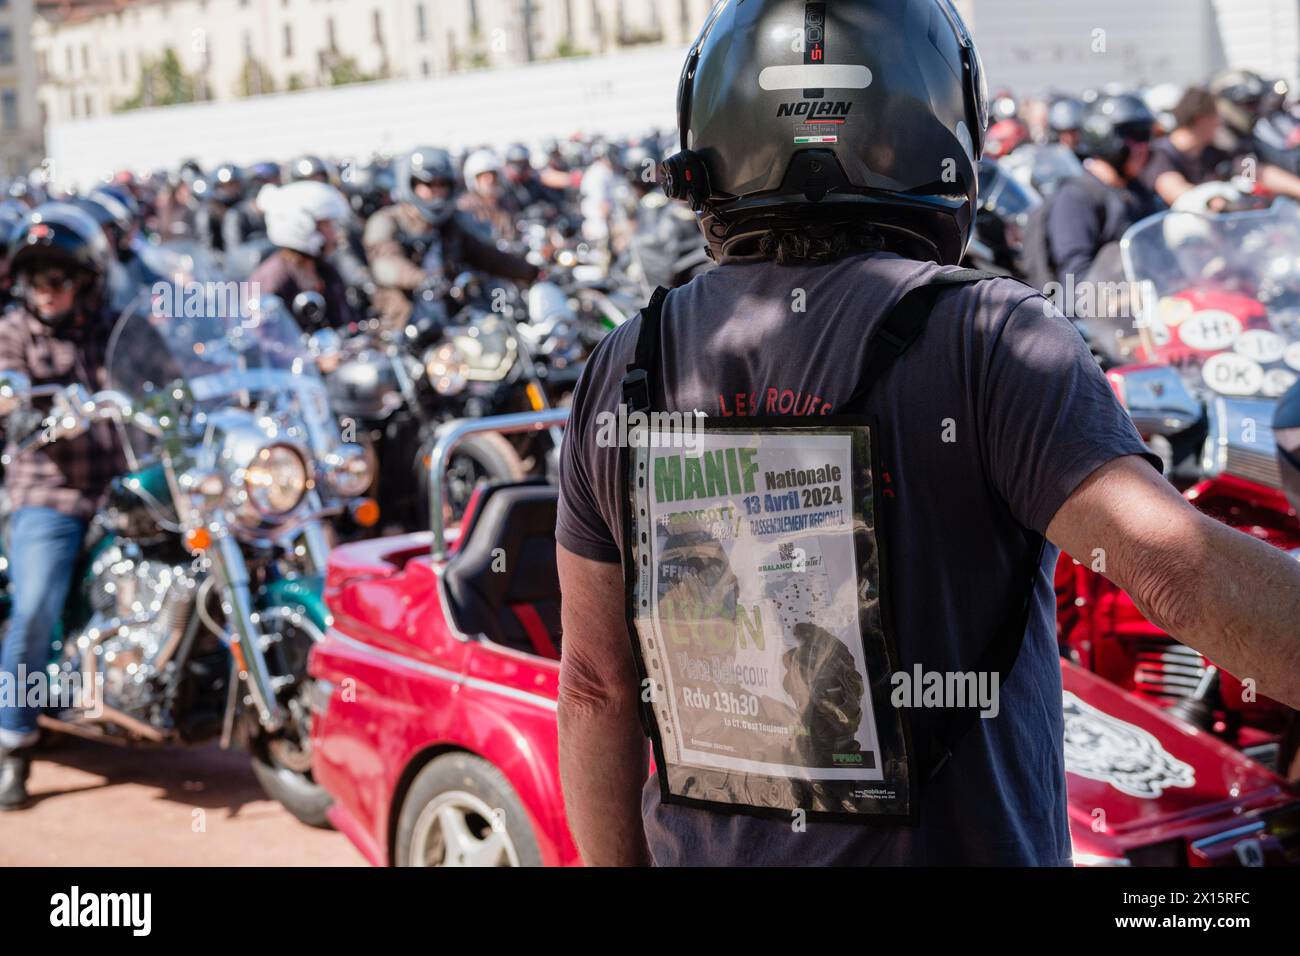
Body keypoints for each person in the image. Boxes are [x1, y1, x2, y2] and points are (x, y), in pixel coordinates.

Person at [554, 0, 1300, 867]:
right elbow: (1175, 573)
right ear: (941, 126)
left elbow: (595, 686)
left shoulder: (625, 362)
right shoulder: (990, 338)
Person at [0, 203, 125, 809]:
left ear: (87, 280)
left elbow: (166, 372)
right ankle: (14, 742)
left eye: (56, 277)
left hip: (127, 485)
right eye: (33, 279)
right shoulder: (12, 332)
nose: (43, 292)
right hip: (51, 493)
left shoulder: (116, 328)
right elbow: (9, 392)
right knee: (35, 606)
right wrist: (27, 410)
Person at [363, 145, 538, 329]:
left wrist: (531, 272)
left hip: (450, 323)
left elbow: (487, 257)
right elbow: (385, 264)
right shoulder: (386, 221)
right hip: (402, 328)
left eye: (442, 184)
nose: (436, 191)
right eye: (428, 184)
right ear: (411, 184)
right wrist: (422, 280)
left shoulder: (448, 224)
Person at [1044, 93, 1163, 286]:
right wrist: (1126, 297)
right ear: (1103, 136)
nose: (1144, 146)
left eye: (1146, 135)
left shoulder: (1138, 190)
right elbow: (1075, 276)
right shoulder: (1077, 196)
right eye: (1135, 136)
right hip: (1099, 313)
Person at [249, 180, 358, 331]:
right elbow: (265, 337)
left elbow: (343, 322)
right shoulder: (273, 277)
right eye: (327, 225)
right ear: (302, 225)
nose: (335, 233)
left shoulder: (325, 270)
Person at [1140, 87, 1232, 207]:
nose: (1219, 122)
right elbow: (1174, 191)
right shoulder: (1159, 154)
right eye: (1215, 116)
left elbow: (1245, 169)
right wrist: (1213, 201)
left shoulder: (1210, 152)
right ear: (1201, 119)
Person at [457, 149, 520, 243]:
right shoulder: (465, 207)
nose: (490, 180)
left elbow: (514, 234)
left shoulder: (507, 204)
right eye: (484, 176)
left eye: (493, 175)